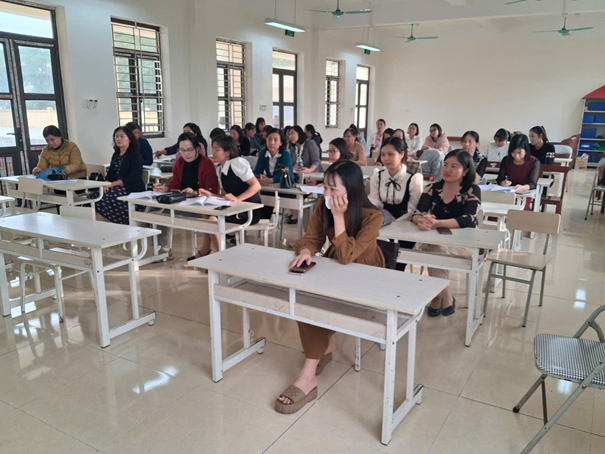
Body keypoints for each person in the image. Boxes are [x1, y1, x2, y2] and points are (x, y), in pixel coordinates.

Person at [276, 160, 385, 414]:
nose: (326, 193)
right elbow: (311, 238)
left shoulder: (373, 217)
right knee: (305, 299)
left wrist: (338, 217)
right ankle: (321, 351)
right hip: (337, 271)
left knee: (316, 304)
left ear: (352, 190)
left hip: (367, 279)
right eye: (325, 187)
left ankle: (308, 375)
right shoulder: (323, 205)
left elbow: (347, 255)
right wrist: (306, 250)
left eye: (333, 189)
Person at [412, 149, 481, 317]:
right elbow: (417, 213)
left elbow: (468, 219)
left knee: (434, 251)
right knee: (435, 248)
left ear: (465, 171)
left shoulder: (472, 190)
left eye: (454, 166)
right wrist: (421, 220)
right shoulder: (432, 188)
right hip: (436, 239)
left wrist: (438, 223)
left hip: (465, 242)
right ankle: (445, 295)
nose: (447, 169)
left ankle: (438, 296)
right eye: (446, 165)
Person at [153, 132, 221, 259]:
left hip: (202, 205)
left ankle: (219, 254)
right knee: (157, 212)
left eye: (189, 150)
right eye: (182, 150)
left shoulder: (206, 163)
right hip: (184, 204)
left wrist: (196, 192)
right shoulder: (179, 162)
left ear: (197, 148)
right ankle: (165, 249)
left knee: (209, 219)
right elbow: (175, 183)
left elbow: (212, 190)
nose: (186, 154)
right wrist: (166, 188)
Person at [369, 137, 423, 271]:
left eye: (390, 154)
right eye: (383, 154)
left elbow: (413, 210)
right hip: (382, 221)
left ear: (402, 154)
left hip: (405, 225)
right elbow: (374, 201)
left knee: (396, 259)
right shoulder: (378, 175)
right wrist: (383, 218)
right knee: (374, 253)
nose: (386, 158)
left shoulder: (413, 178)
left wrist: (395, 224)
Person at [93, 127, 144, 224]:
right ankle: (100, 227)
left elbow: (134, 177)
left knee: (106, 199)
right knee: (96, 195)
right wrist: (106, 184)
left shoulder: (135, 154)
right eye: (116, 136)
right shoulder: (116, 155)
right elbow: (110, 175)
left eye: (122, 136)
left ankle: (118, 224)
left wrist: (112, 184)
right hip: (115, 186)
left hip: (130, 188)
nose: (118, 139)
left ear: (129, 139)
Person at [497, 134, 541, 201]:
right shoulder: (506, 160)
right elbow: (499, 179)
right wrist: (503, 182)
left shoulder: (534, 162)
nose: (516, 155)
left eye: (519, 152)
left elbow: (533, 184)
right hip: (507, 193)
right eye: (513, 152)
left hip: (524, 194)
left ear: (526, 150)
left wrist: (523, 187)